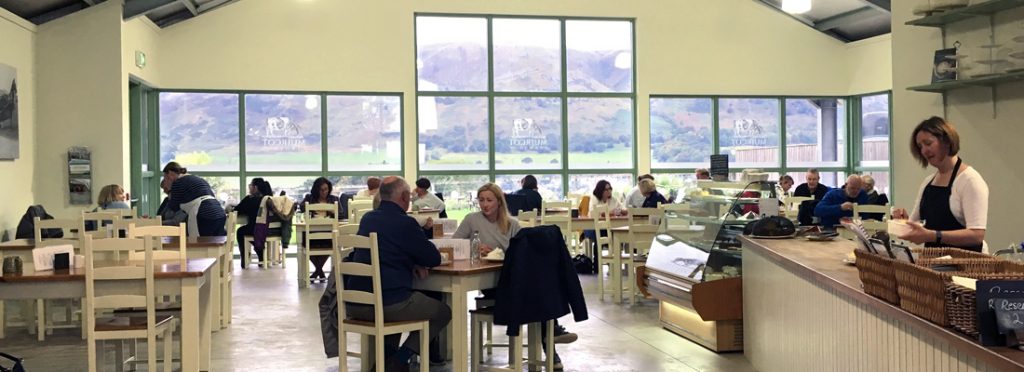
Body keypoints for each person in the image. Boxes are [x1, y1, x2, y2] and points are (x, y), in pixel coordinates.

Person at [456, 183, 576, 368]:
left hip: (512, 278)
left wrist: (503, 251)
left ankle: (551, 343)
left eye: (489, 200)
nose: (485, 204)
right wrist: (474, 246)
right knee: (536, 294)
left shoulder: (512, 224)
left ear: (499, 202)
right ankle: (552, 339)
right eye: (481, 200)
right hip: (491, 283)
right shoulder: (471, 220)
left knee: (536, 292)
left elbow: (523, 251)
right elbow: (455, 244)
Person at [345, 176, 450, 372]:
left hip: (356, 304)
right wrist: (416, 261)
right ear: (404, 197)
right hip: (388, 304)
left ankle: (385, 360)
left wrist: (410, 262)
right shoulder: (405, 223)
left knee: (395, 308)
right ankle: (399, 360)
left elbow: (385, 252)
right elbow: (433, 258)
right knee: (442, 312)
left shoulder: (367, 219)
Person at [893, 117, 988, 252]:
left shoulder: (970, 181)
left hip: (965, 266)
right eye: (920, 146)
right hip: (934, 264)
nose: (924, 151)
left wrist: (934, 236)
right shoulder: (928, 182)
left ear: (947, 141)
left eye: (928, 143)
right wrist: (903, 222)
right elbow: (914, 226)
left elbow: (976, 235)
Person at [162, 162, 226, 237]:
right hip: (219, 213)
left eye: (165, 178)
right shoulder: (198, 179)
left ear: (170, 174)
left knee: (198, 244)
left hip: (203, 214)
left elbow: (174, 207)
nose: (165, 181)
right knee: (214, 243)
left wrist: (170, 191)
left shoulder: (178, 183)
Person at [231, 178, 281, 268]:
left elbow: (237, 210)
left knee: (241, 231)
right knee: (252, 231)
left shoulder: (250, 200)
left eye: (250, 186)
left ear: (256, 187)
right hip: (274, 230)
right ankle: (262, 254)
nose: (249, 188)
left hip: (259, 230)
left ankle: (245, 259)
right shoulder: (271, 199)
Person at [299, 177, 340, 281]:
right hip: (312, 233)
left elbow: (342, 213)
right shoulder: (310, 198)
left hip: (328, 233)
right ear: (316, 189)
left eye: (326, 189)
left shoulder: (334, 199)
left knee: (330, 240)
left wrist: (332, 213)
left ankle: (317, 271)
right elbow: (301, 207)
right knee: (306, 241)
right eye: (321, 190)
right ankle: (319, 271)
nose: (324, 192)